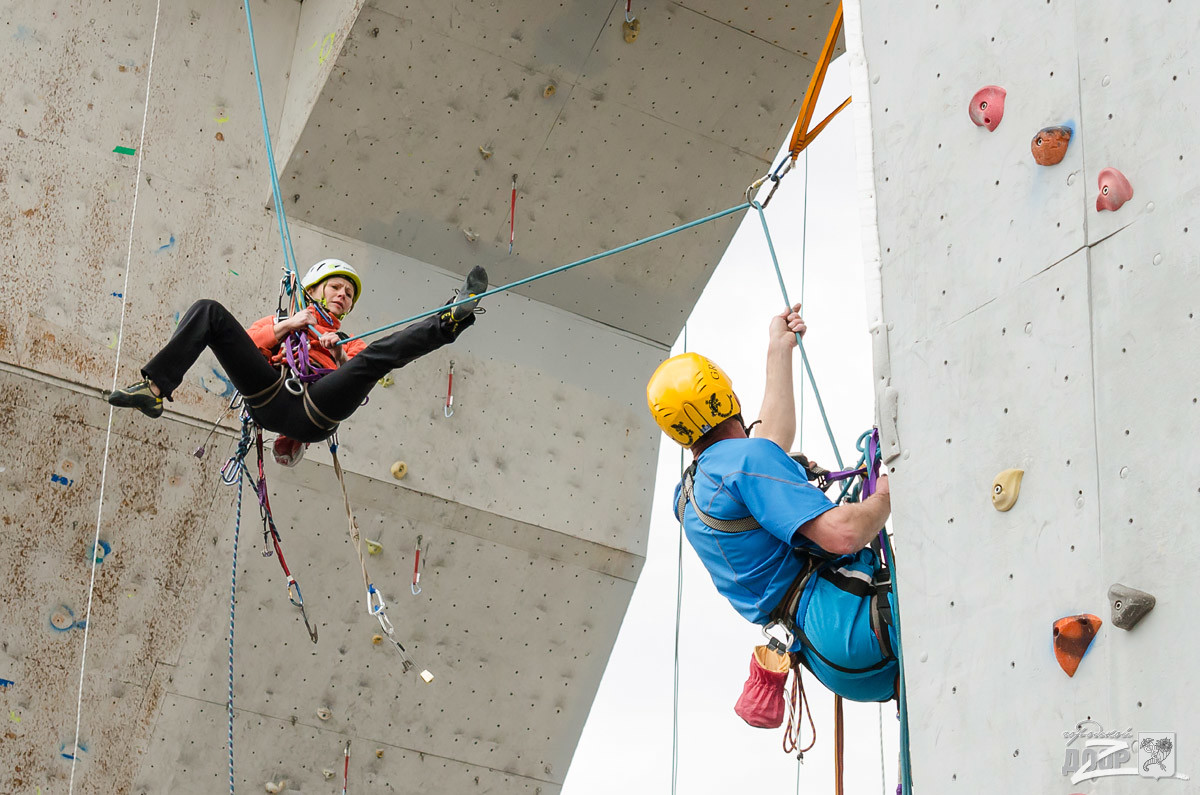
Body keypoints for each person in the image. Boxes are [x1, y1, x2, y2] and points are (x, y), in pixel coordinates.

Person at [645, 305, 898, 703]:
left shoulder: (691, 494)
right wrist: (887, 494)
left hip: (825, 652)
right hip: (853, 617)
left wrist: (779, 349)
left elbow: (768, 442)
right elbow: (843, 534)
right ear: (726, 394)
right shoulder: (745, 462)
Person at [108, 259, 487, 463]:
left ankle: (450, 319)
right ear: (314, 290)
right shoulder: (281, 322)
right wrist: (291, 325)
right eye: (336, 287)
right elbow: (253, 346)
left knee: (376, 357)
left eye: (349, 294)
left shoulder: (349, 341)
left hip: (316, 409)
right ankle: (155, 387)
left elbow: (359, 371)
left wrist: (337, 351)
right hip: (272, 394)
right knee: (210, 313)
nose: (343, 296)